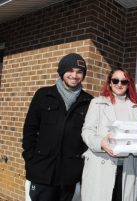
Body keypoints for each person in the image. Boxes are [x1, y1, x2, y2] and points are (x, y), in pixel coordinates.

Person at [22, 53, 93, 201]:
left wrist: (79, 163)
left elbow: (89, 133)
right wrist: (30, 158)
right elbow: (29, 129)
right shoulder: (43, 95)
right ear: (62, 72)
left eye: (79, 72)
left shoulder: (88, 101)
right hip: (42, 171)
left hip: (70, 175)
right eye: (70, 70)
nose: (74, 75)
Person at [80, 67, 137, 201]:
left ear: (128, 84)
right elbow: (87, 130)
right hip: (101, 166)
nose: (119, 84)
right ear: (110, 82)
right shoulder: (97, 103)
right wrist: (101, 142)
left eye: (124, 81)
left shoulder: (136, 107)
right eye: (115, 80)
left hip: (127, 167)